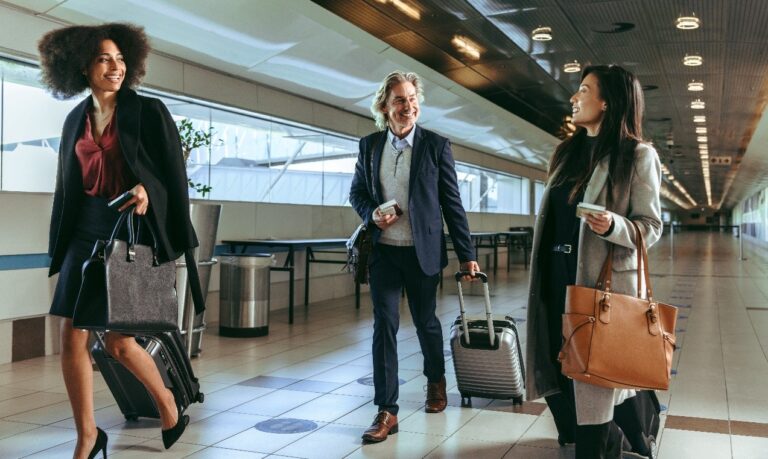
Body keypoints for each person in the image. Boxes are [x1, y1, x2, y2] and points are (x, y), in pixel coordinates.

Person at [38, 23, 203, 458]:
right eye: (104, 59)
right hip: (83, 232)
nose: (115, 68)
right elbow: (66, 186)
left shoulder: (148, 112)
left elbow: (174, 180)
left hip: (129, 229)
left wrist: (149, 189)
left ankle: (168, 403)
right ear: (82, 67)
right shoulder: (75, 119)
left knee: (118, 342)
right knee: (71, 333)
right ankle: (87, 436)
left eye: (120, 59)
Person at [524, 64, 662, 459]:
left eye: (583, 90)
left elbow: (650, 226)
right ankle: (618, 437)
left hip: (600, 287)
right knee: (565, 372)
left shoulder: (637, 155)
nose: (574, 97)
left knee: (594, 381)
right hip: (555, 279)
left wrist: (612, 225)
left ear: (607, 102)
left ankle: (599, 446)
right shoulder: (566, 153)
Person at [349, 70, 480, 443]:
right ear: (385, 108)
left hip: (422, 252)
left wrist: (467, 255)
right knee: (384, 326)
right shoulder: (370, 146)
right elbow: (357, 192)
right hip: (384, 253)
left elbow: (452, 204)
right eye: (400, 100)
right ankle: (387, 411)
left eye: (412, 99)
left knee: (426, 323)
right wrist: (372, 213)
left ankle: (435, 381)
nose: (409, 106)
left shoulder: (436, 146)